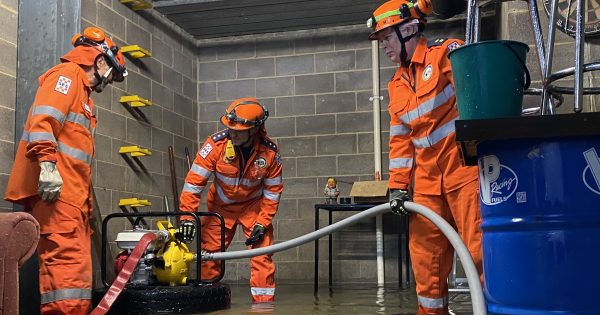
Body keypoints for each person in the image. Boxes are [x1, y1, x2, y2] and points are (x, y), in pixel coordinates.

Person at [367, 1, 483, 314]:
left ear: (408, 31)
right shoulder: (396, 85)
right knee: (426, 263)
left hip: (465, 171)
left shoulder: (446, 53)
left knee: (480, 254)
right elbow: (400, 141)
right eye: (381, 42)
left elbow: (478, 99)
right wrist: (398, 187)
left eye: (387, 38)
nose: (385, 48)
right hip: (428, 184)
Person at [4, 27, 127, 314]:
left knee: (76, 273)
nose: (108, 83)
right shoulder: (66, 76)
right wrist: (47, 167)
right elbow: (43, 122)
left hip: (71, 199)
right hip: (57, 196)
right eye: (111, 74)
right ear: (99, 62)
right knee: (67, 270)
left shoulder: (83, 94)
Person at [178, 97, 283, 303]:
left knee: (262, 256)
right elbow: (193, 185)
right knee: (208, 256)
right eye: (229, 127)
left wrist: (263, 222)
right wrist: (187, 219)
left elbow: (273, 192)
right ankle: (207, 302)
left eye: (238, 129)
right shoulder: (214, 145)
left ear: (254, 129)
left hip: (253, 210)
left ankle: (264, 307)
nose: (231, 132)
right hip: (220, 207)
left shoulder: (270, 153)